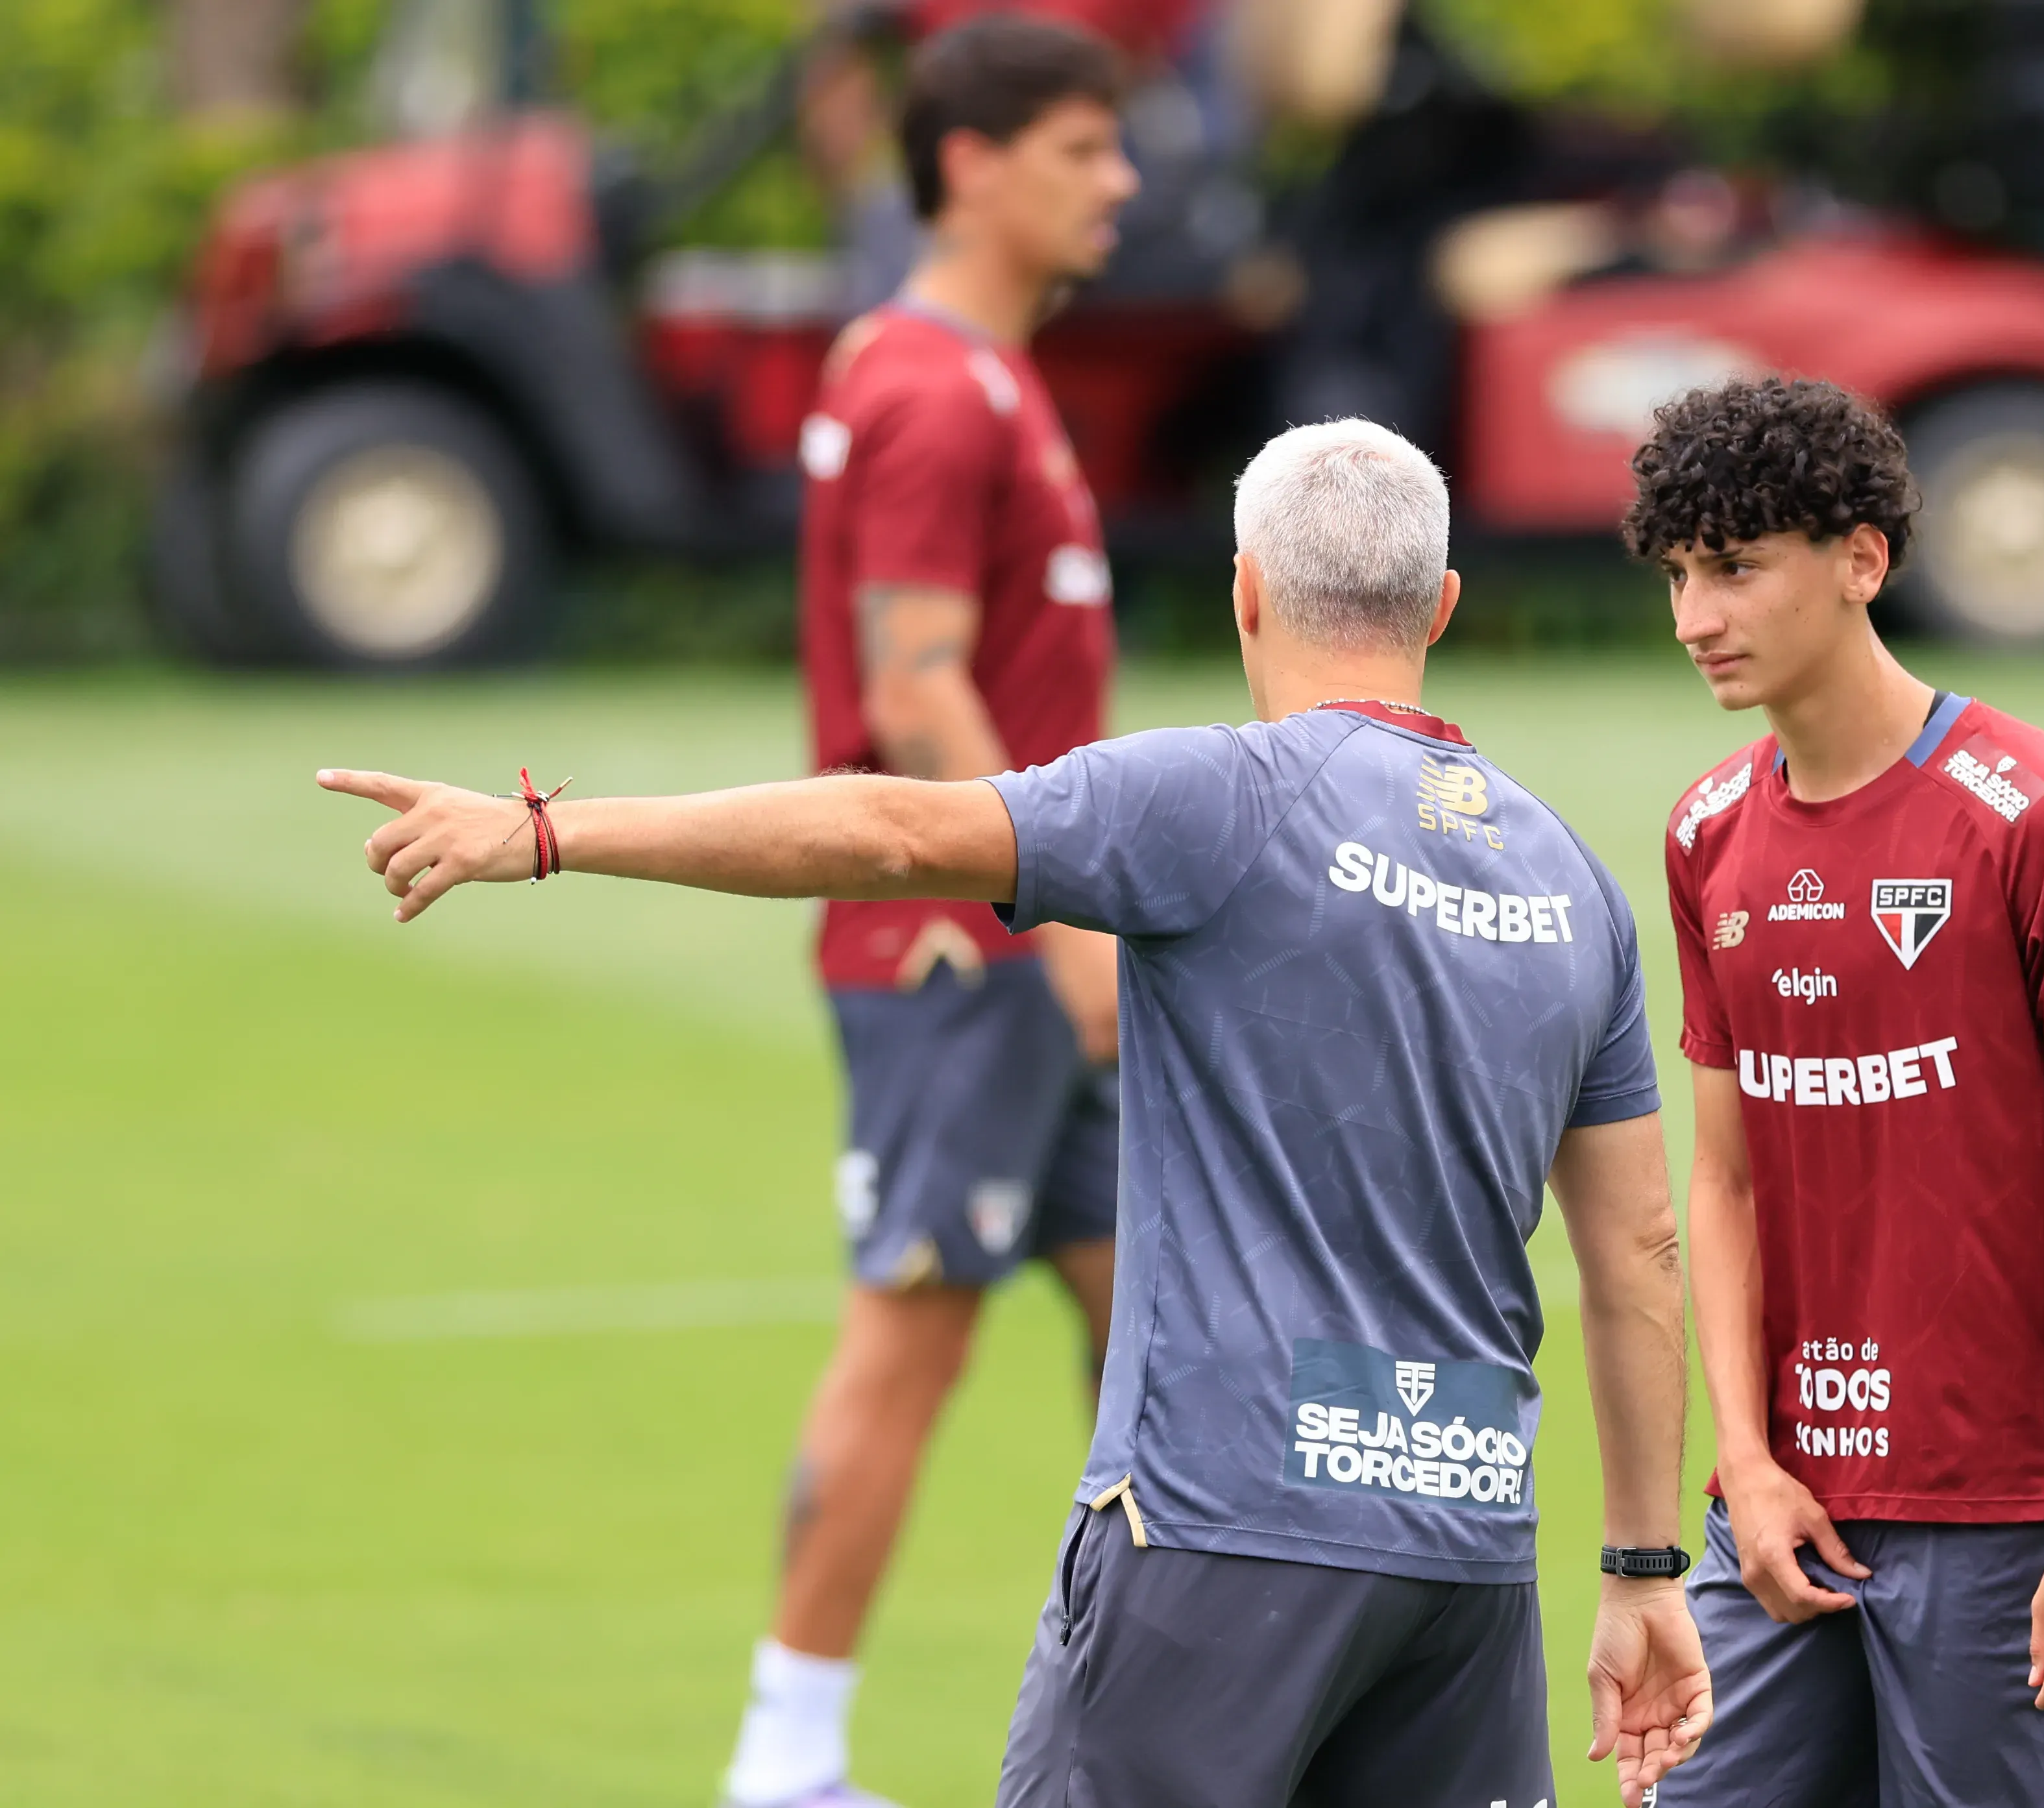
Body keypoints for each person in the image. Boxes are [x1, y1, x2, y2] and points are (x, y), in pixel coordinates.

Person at [318, 419, 1713, 1805]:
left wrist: (554, 833)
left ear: (1244, 590)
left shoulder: (1218, 796)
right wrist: (1644, 1568)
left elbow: (891, 831)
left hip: (1219, 1533)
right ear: (1444, 607)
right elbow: (1639, 1252)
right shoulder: (1570, 882)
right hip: (1467, 1560)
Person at [1631, 378, 2044, 1807]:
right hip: (1781, 1512)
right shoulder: (1705, 833)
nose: (1695, 616)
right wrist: (1742, 1464)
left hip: (2001, 1523)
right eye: (1680, 574)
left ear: (1860, 561)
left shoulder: (2041, 815)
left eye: (1735, 568)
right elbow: (1727, 1179)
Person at [744, 18, 1139, 1807]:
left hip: (1015, 948)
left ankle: (1173, 1727)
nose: (1120, 181)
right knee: (910, 1333)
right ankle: (787, 1766)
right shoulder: (924, 383)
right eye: (1080, 149)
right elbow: (918, 694)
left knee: (1165, 1333)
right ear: (968, 163)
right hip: (957, 949)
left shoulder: (981, 373)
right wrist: (1068, 926)